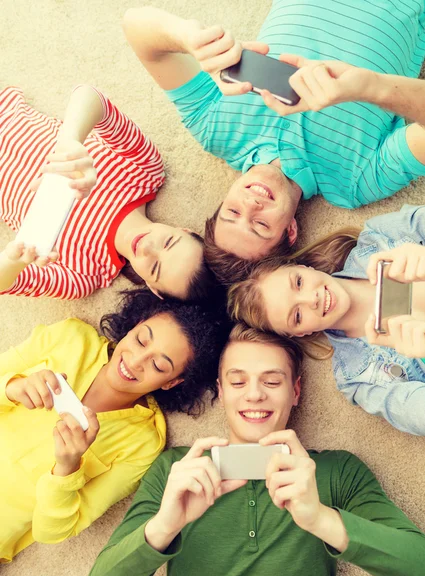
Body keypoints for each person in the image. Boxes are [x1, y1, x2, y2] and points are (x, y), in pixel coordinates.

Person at [85, 325, 425, 576]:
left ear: (295, 391)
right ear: (221, 391)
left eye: (272, 381)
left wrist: (321, 518)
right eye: (238, 381)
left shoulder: (338, 472)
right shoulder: (176, 469)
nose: (254, 394)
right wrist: (165, 525)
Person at [123, 1, 425, 285]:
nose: (251, 206)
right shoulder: (353, 183)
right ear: (290, 231)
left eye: (233, 213)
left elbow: (135, 28)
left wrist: (187, 37)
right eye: (260, 226)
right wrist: (369, 88)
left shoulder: (214, 131)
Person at [0, 287, 229, 562]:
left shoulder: (143, 443)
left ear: (171, 383)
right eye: (142, 340)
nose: (134, 361)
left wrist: (66, 467)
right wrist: (13, 387)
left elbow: (51, 532)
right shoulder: (70, 338)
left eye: (158, 365)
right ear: (135, 325)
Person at [0, 84, 216, 300]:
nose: (148, 248)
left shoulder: (84, 276)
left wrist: (14, 260)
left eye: (155, 268)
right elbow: (91, 97)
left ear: (153, 289)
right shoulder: (146, 170)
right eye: (168, 242)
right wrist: (69, 142)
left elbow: (5, 283)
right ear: (183, 230)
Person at [228, 204, 425, 436]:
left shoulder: (379, 237)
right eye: (298, 315)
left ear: (303, 267)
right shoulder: (356, 378)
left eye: (298, 283)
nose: (312, 299)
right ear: (300, 333)